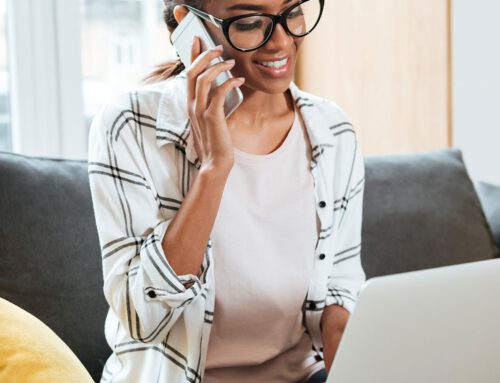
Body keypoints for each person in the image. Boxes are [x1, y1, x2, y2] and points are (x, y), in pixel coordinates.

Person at [87, 0, 366, 382]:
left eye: (294, 11)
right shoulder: (129, 127)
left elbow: (339, 293)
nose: (281, 41)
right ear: (189, 25)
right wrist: (214, 169)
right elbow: (143, 317)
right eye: (251, 22)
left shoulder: (333, 132)